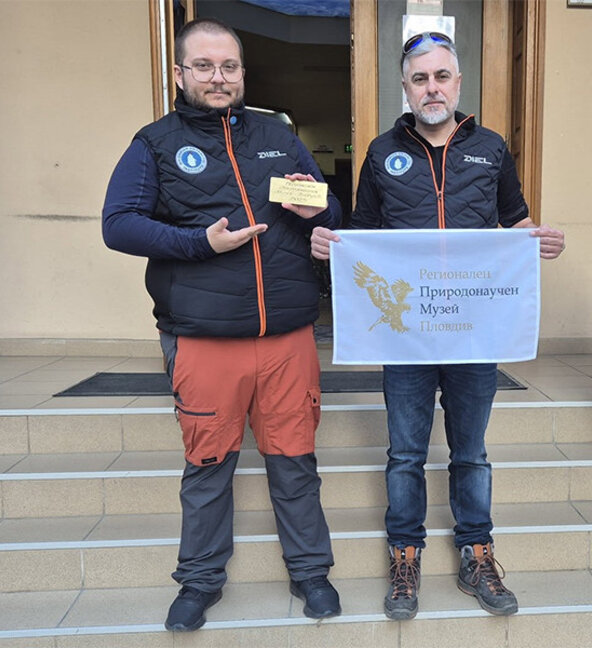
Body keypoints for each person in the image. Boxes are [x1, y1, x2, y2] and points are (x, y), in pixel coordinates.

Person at [310, 31, 565, 621]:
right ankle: (405, 559)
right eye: (420, 78)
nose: (432, 87)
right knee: (404, 454)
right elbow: (364, 237)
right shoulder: (380, 152)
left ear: (458, 81)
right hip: (408, 331)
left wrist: (536, 240)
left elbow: (515, 221)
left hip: (475, 329)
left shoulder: (492, 148)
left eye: (442, 76)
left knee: (471, 454)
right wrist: (331, 241)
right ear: (405, 86)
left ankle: (478, 556)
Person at [102, 17, 342, 632]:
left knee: (295, 460)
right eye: (204, 66)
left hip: (288, 335)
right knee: (208, 467)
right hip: (205, 339)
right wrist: (198, 243)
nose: (218, 77)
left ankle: (312, 573)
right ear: (180, 74)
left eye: (229, 67)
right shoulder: (154, 142)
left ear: (241, 73)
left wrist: (314, 211)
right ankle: (200, 581)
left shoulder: (276, 135)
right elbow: (119, 224)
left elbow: (325, 203)